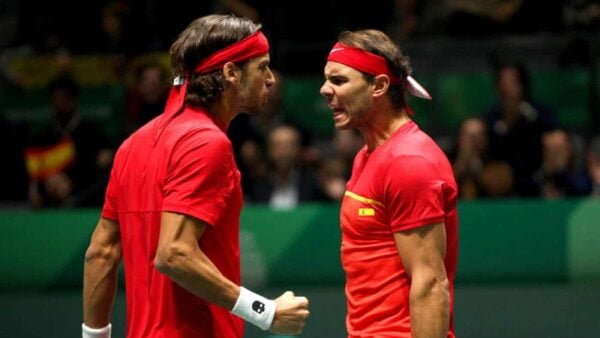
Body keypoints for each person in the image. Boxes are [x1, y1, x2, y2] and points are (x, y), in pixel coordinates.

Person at [82, 14, 309, 338]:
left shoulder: (133, 144)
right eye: (262, 67)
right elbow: (174, 253)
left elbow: (100, 253)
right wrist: (265, 312)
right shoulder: (208, 143)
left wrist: (93, 336)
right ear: (231, 72)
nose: (271, 79)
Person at [320, 29, 458, 337]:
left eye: (339, 80)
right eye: (327, 79)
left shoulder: (409, 162)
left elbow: (431, 285)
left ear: (379, 86)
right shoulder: (365, 157)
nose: (324, 90)